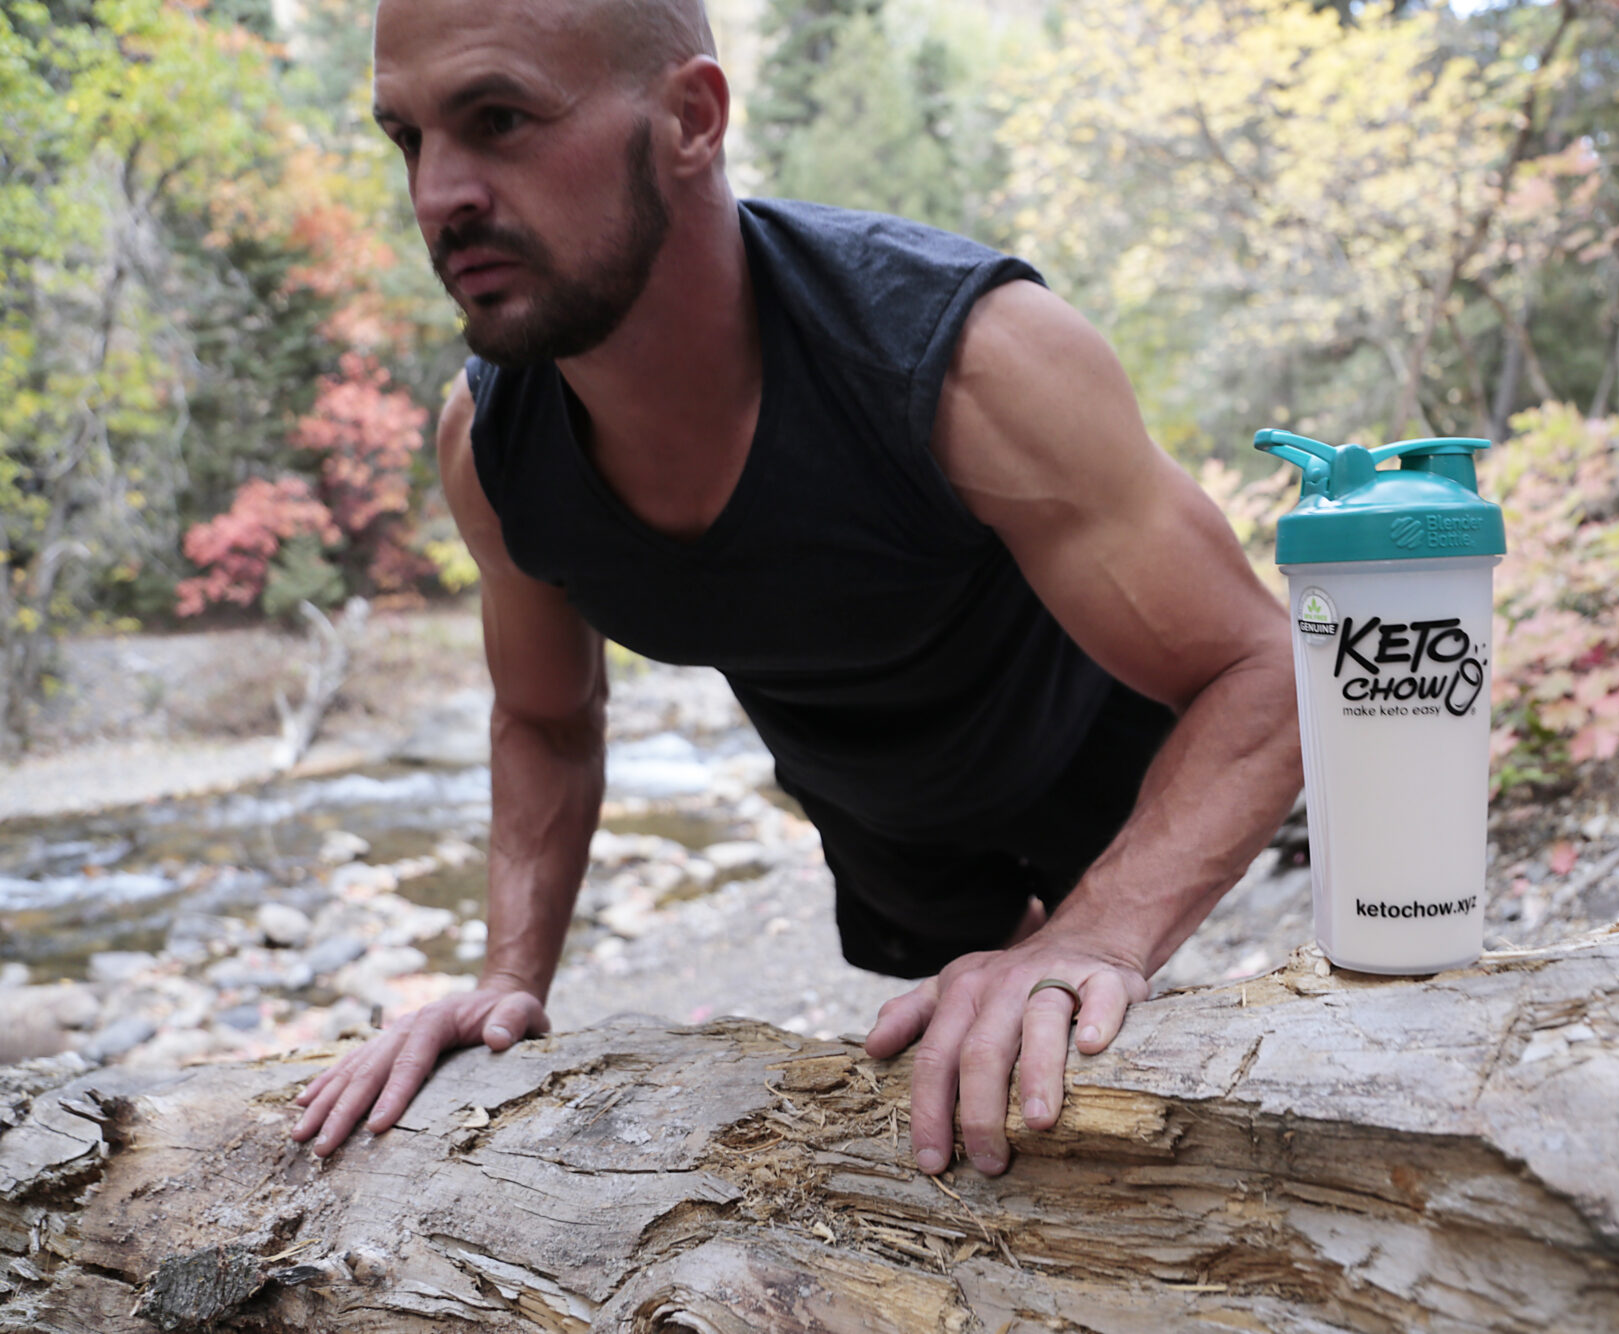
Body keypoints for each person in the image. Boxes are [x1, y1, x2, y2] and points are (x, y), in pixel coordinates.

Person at [290, 0, 1301, 1179]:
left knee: (1131, 1071)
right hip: (878, 814)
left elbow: (1268, 665)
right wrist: (506, 980)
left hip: (1114, 761)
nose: (435, 196)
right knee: (979, 1122)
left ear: (690, 118)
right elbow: (547, 715)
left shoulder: (968, 358)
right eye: (408, 139)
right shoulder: (492, 447)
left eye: (499, 118)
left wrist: (1101, 931)